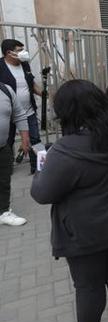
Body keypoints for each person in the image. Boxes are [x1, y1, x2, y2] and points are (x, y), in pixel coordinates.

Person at [31, 80, 108, 322]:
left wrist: (42, 169)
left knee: (89, 287)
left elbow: (41, 192)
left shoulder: (65, 150)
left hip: (85, 235)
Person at [0, 39, 42, 174]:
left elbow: (32, 84)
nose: (23, 53)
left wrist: (43, 94)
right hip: (8, 115)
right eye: (19, 50)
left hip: (29, 111)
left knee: (36, 139)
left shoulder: (24, 65)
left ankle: (39, 167)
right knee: (7, 142)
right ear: (9, 53)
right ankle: (6, 169)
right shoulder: (0, 66)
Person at [0, 82, 30, 225]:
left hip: (3, 147)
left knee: (4, 181)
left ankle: (4, 212)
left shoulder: (6, 90)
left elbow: (19, 114)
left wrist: (24, 140)